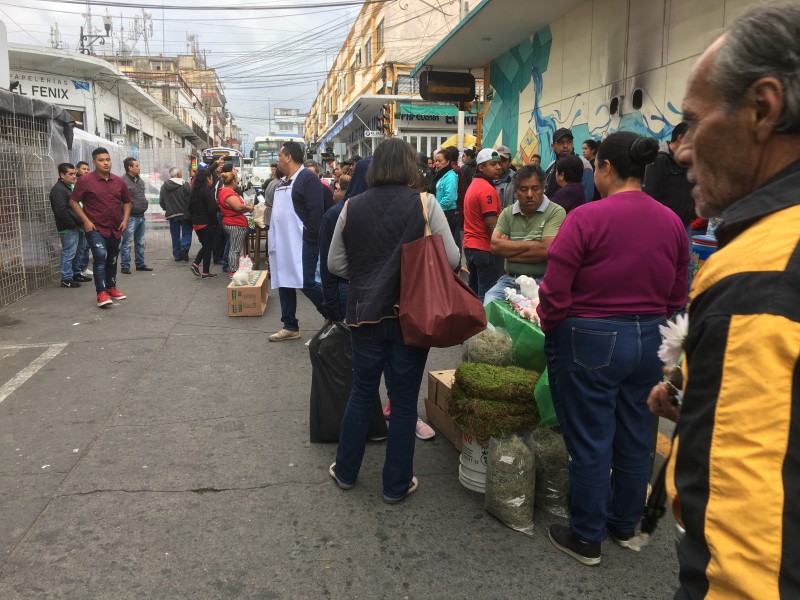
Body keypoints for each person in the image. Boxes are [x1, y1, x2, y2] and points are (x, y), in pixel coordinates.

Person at [646, 4, 800, 596]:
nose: (681, 151)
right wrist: (705, 396)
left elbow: (749, 548)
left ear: (762, 108)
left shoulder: (758, 274)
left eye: (693, 122)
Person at [537, 131, 688, 566]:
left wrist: (553, 328)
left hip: (591, 339)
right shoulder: (671, 222)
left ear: (603, 167)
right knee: (638, 435)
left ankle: (586, 536)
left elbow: (556, 289)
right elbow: (678, 292)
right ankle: (624, 523)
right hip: (650, 339)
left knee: (590, 439)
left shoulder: (585, 218)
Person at [327, 138, 459, 503]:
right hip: (411, 318)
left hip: (364, 315)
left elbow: (334, 265)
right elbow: (450, 258)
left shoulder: (351, 206)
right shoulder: (425, 203)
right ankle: (395, 485)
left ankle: (347, 472)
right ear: (408, 167)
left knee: (362, 393)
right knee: (402, 402)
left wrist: (368, 273)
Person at [267, 141, 326, 342]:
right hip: (284, 243)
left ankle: (333, 316)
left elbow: (316, 211)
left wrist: (309, 237)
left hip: (302, 242)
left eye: (279, 156)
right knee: (285, 281)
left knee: (307, 282)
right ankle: (289, 325)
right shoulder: (284, 181)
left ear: (288, 157)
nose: (277, 161)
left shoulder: (307, 178)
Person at [482, 164, 565, 305]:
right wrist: (533, 244)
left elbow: (546, 251)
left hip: (542, 280)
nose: (529, 194)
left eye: (535, 188)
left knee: (534, 315)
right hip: (510, 279)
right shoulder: (508, 213)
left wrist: (509, 252)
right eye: (523, 189)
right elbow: (495, 246)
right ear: (515, 191)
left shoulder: (556, 212)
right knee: (489, 302)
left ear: (543, 188)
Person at [69, 147, 132, 308]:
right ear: (94, 162)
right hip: (95, 227)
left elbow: (126, 201)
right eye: (101, 160)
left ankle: (112, 287)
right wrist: (85, 221)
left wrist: (125, 220)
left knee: (112, 258)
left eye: (108, 159)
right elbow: (73, 201)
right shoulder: (85, 181)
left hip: (115, 228)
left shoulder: (118, 181)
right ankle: (101, 292)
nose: (105, 163)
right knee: (100, 257)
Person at [462, 148, 503, 301]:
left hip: (471, 247)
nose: (498, 167)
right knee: (487, 293)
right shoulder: (487, 189)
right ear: (481, 167)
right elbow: (491, 224)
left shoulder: (474, 185)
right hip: (484, 248)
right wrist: (504, 246)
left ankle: (471, 323)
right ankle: (483, 324)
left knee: (474, 290)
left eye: (499, 163)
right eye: (493, 164)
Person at [49, 162, 92, 288]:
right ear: (62, 175)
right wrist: (74, 224)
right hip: (69, 227)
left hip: (76, 225)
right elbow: (61, 211)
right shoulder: (58, 190)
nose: (74, 176)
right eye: (71, 174)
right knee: (69, 252)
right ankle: (66, 278)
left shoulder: (68, 187)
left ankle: (75, 273)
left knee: (78, 251)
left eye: (74, 173)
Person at [120, 157, 152, 274]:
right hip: (130, 216)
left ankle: (140, 263)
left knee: (140, 241)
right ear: (130, 168)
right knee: (127, 241)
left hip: (140, 215)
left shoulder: (140, 181)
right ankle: (125, 265)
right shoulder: (122, 181)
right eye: (137, 166)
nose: (139, 168)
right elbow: (119, 200)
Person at [544, 128, 595, 202]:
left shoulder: (583, 164)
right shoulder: (551, 166)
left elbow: (587, 196)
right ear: (553, 146)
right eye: (561, 142)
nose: (565, 146)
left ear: (573, 144)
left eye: (569, 142)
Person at [218, 171, 254, 276]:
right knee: (235, 249)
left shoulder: (224, 191)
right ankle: (234, 270)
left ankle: (234, 268)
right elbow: (238, 207)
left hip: (232, 222)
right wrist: (248, 207)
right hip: (235, 223)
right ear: (233, 181)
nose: (238, 181)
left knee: (234, 247)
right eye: (237, 179)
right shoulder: (228, 193)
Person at [187, 168, 219, 279]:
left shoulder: (194, 190)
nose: (212, 179)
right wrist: (216, 222)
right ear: (207, 178)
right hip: (206, 223)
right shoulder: (207, 191)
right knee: (208, 246)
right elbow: (212, 210)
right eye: (211, 177)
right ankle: (198, 265)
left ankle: (204, 271)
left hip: (196, 223)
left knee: (206, 246)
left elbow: (190, 208)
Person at [159, 167, 192, 262]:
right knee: (187, 232)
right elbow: (190, 199)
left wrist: (167, 209)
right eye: (180, 172)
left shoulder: (164, 186)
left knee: (175, 235)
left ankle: (177, 255)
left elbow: (161, 201)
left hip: (172, 215)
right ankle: (184, 247)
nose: (181, 173)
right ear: (177, 174)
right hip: (184, 214)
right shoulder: (184, 184)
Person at [431, 148, 459, 247]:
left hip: (447, 214)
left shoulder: (451, 176)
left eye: (440, 161)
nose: (437, 163)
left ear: (448, 162)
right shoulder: (440, 174)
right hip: (440, 212)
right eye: (436, 161)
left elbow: (449, 198)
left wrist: (436, 208)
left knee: (445, 244)